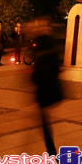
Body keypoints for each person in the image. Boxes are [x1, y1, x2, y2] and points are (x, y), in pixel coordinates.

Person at [27, 17, 63, 156]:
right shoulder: (51, 42)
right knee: (44, 119)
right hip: (50, 85)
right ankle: (51, 150)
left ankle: (51, 150)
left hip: (44, 86)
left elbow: (40, 66)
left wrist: (34, 79)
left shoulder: (41, 43)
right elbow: (56, 64)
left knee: (44, 120)